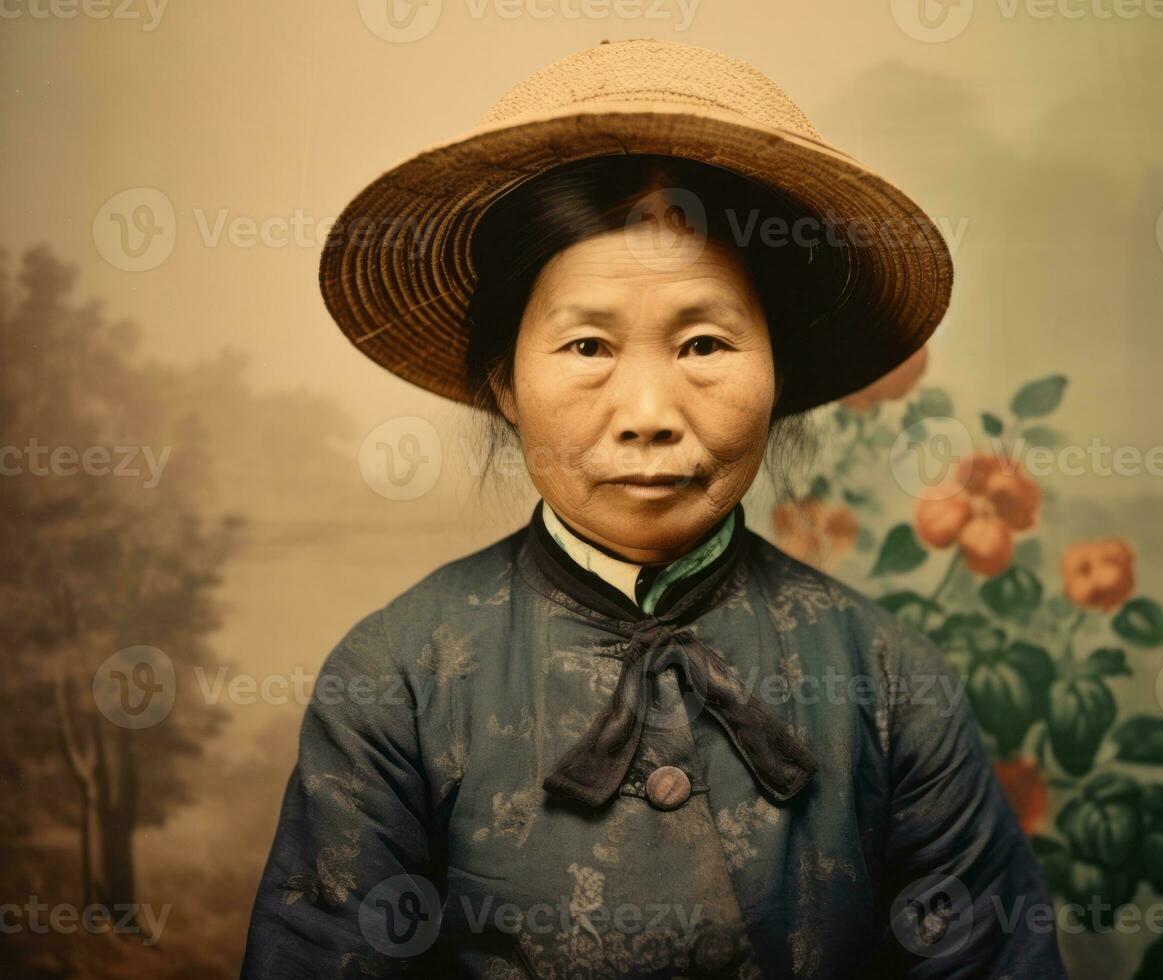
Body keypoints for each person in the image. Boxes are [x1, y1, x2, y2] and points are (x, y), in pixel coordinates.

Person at [241, 38, 1065, 979]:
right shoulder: (395, 679)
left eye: (705, 343)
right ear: (504, 380)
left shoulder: (887, 680)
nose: (647, 416)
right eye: (587, 346)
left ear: (778, 371)